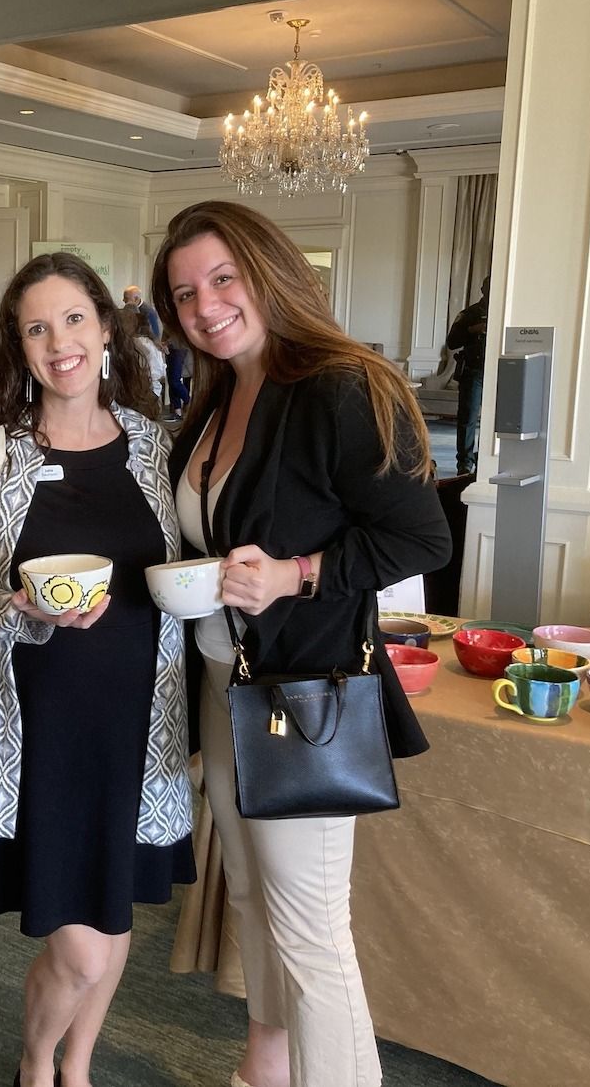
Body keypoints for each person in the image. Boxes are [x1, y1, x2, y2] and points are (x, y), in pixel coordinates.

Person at [152, 201, 451, 1087]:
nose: (204, 306)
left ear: (268, 271)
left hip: (305, 696)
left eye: (222, 280)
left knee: (310, 928)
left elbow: (421, 540)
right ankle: (267, 1073)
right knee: (250, 900)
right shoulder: (216, 396)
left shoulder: (338, 386)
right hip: (225, 680)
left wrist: (296, 574)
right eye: (183, 293)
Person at [0, 252, 195, 1087]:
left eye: (74, 320)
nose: (60, 342)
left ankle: (77, 1067)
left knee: (115, 912)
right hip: (39, 725)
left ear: (105, 326)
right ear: (17, 347)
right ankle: (34, 1061)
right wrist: (17, 611)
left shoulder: (158, 448)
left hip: (142, 722)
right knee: (80, 948)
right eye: (36, 328)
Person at [446, 274, 491, 476]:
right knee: (468, 418)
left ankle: (485, 461)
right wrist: (473, 330)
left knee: (493, 420)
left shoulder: (507, 312)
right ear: (483, 290)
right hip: (474, 371)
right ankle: (464, 464)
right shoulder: (469, 313)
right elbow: (452, 342)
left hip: (499, 373)